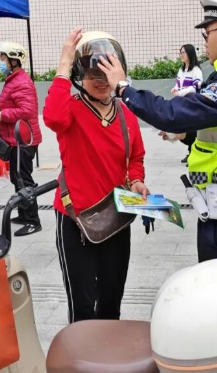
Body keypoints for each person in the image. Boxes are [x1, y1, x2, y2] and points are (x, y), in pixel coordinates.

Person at [99, 0, 217, 263]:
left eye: (207, 33)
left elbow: (170, 114)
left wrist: (123, 88)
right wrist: (186, 134)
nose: (204, 42)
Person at [44, 29, 148, 323]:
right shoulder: (71, 110)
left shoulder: (126, 113)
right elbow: (52, 117)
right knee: (82, 307)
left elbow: (136, 157)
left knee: (112, 301)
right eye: (93, 75)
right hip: (75, 219)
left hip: (116, 218)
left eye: (107, 74)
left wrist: (136, 180)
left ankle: (108, 349)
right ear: (80, 75)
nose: (102, 82)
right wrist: (64, 64)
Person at [0, 41, 43, 237]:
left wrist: (2, 115)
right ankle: (23, 214)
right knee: (17, 177)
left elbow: (27, 110)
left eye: (3, 58)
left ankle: (33, 221)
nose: (1, 61)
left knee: (24, 179)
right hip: (16, 139)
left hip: (23, 140)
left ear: (14, 60)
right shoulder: (13, 79)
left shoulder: (21, 81)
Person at [170, 44, 203, 163]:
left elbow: (195, 87)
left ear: (190, 54)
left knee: (192, 129)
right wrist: (175, 89)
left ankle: (193, 153)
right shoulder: (182, 70)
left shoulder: (196, 71)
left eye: (183, 53)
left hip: (192, 104)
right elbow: (178, 84)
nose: (181, 55)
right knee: (184, 128)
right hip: (182, 103)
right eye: (180, 53)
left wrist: (180, 92)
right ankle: (191, 151)